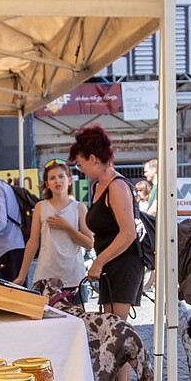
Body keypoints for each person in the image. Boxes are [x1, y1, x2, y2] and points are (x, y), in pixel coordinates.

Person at [71, 125, 143, 317]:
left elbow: (128, 233)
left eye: (80, 164)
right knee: (110, 327)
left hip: (123, 264)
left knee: (116, 329)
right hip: (109, 264)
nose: (80, 169)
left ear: (93, 159)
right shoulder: (97, 187)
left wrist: (98, 262)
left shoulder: (116, 186)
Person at [16, 159, 90, 295]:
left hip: (73, 276)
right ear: (47, 185)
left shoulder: (79, 208)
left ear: (69, 180)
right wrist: (22, 275)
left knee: (77, 315)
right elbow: (33, 242)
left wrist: (67, 227)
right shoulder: (40, 207)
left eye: (61, 176)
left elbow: (89, 243)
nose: (57, 181)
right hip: (46, 275)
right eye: (52, 178)